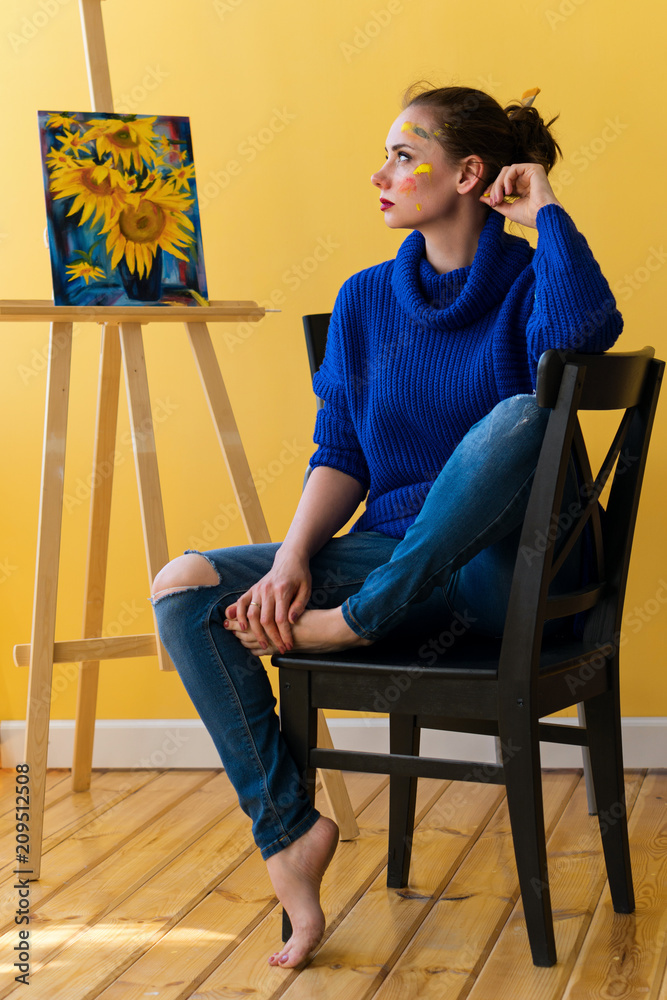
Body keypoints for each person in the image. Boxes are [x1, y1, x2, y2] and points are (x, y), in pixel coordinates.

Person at [150, 84, 622, 968]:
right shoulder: (365, 298)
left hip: (510, 573)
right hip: (397, 558)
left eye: (404, 156)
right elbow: (342, 453)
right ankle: (289, 832)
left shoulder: (529, 280)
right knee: (185, 591)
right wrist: (292, 562)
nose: (380, 174)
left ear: (468, 173)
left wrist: (546, 210)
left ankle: (357, 620)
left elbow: (579, 339)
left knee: (521, 415)